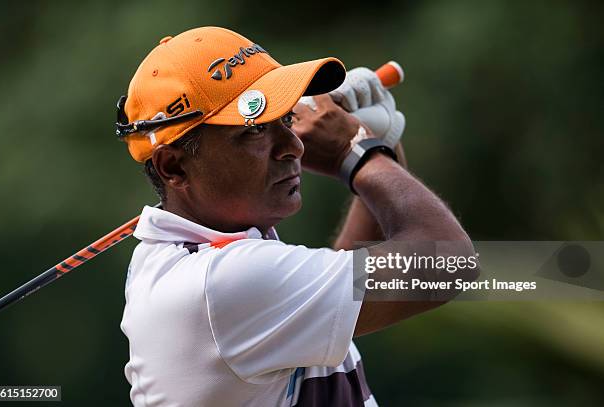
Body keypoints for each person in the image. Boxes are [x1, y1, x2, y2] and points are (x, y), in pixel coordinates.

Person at [117, 26, 475, 407]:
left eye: (285, 120)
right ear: (173, 166)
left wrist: (374, 148)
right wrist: (356, 152)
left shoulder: (204, 259)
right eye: (255, 131)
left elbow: (345, 286)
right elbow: (446, 262)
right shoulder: (219, 283)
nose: (295, 146)